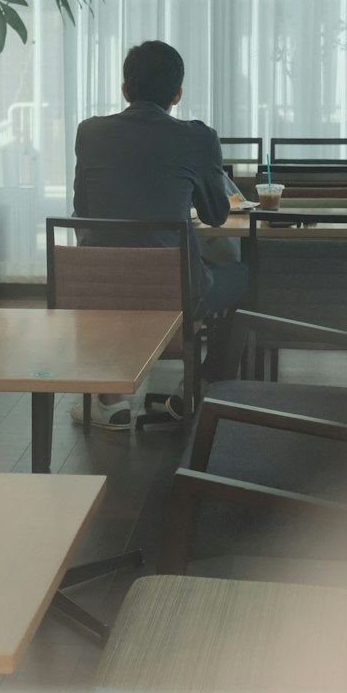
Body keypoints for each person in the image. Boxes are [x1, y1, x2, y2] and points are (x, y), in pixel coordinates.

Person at [70, 40, 248, 429]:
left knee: (146, 270)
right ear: (177, 94)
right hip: (175, 293)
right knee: (243, 276)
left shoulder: (90, 132)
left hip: (100, 289)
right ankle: (195, 388)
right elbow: (217, 215)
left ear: (124, 89)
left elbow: (84, 209)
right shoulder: (198, 137)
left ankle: (112, 399)